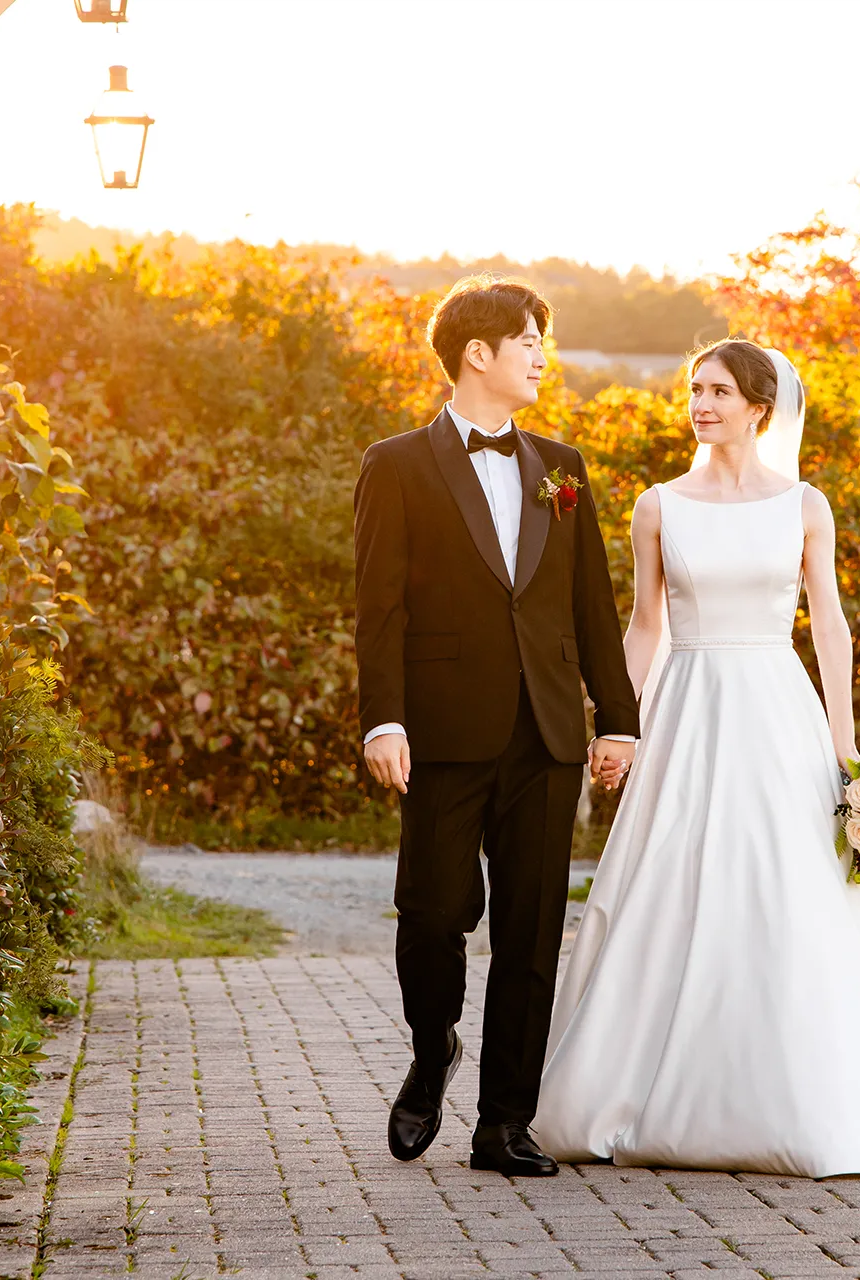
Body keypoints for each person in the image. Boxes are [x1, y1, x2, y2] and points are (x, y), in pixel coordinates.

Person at [531, 338, 860, 1177]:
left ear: (761, 408)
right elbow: (646, 623)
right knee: (669, 880)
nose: (702, 403)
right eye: (696, 388)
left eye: (720, 390)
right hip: (684, 707)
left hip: (774, 709)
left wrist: (846, 744)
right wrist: (617, 722)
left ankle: (796, 1101)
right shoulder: (657, 505)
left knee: (784, 887)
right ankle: (623, 1092)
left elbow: (827, 623)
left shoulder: (804, 504)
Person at [352, 275, 641, 1177]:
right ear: (478, 353)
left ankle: (504, 1124)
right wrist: (383, 720)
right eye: (528, 342)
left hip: (548, 732)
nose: (541, 357)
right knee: (433, 915)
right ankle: (434, 1043)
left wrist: (618, 721)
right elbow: (380, 609)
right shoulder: (395, 464)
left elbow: (591, 603)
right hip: (439, 729)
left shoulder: (564, 466)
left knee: (531, 928)